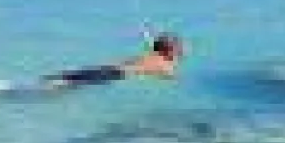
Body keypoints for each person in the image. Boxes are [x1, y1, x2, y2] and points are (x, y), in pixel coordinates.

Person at [40, 32, 185, 90]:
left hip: (108, 67)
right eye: (177, 50)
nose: (179, 53)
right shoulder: (164, 64)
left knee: (66, 77)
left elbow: (154, 46)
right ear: (169, 52)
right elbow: (170, 75)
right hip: (114, 74)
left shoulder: (150, 55)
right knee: (67, 86)